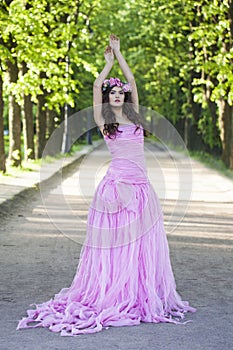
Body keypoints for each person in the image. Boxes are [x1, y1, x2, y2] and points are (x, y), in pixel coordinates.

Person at [17, 34, 196, 336]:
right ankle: (114, 293)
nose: (115, 95)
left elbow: (132, 81)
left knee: (140, 248)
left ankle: (137, 295)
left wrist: (120, 55)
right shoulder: (104, 123)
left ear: (124, 97)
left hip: (141, 191)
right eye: (111, 92)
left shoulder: (136, 118)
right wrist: (107, 64)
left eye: (118, 93)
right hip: (116, 191)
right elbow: (96, 86)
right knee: (117, 247)